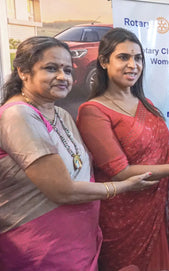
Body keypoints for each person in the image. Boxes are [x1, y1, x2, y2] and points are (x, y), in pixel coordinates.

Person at [0, 36, 157, 270]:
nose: (63, 77)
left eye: (67, 69)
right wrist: (124, 186)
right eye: (51, 69)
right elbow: (62, 191)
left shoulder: (60, 114)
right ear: (23, 71)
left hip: (78, 240)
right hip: (40, 246)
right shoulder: (18, 115)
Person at [76, 28, 169, 271]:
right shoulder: (93, 111)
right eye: (123, 57)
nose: (133, 65)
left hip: (153, 205)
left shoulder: (145, 103)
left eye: (138, 58)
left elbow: (145, 149)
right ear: (103, 61)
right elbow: (120, 171)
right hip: (122, 217)